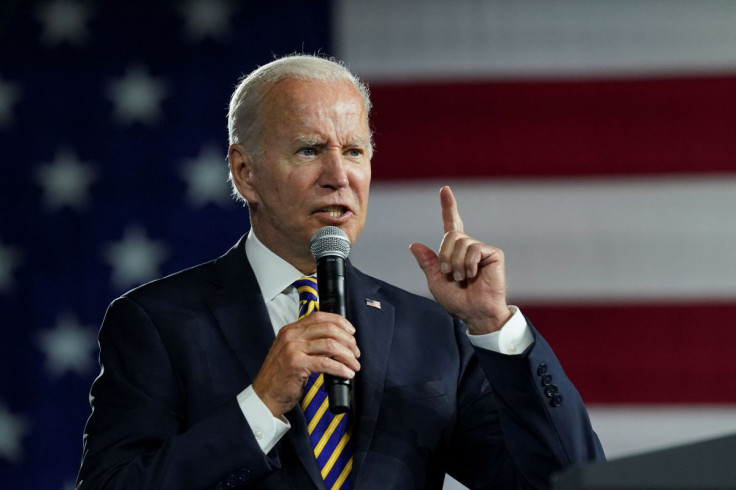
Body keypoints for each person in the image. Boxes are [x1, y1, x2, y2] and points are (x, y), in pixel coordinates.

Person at [77, 54, 604, 490]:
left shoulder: (434, 333)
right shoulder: (157, 322)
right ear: (246, 172)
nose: (338, 176)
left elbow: (568, 481)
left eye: (354, 150)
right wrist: (260, 405)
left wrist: (494, 326)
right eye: (310, 150)